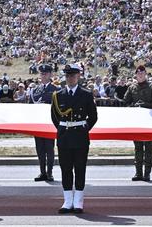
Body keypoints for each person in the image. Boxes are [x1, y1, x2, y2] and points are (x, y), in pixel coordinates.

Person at [51, 63, 97, 214]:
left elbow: (93, 117)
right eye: (68, 76)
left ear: (78, 76)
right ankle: (67, 200)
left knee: (80, 168)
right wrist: (64, 128)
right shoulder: (58, 95)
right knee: (65, 169)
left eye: (73, 75)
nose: (70, 78)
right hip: (64, 136)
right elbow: (55, 117)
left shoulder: (86, 94)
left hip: (80, 136)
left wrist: (83, 128)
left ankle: (78, 201)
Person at [123, 65, 152, 181]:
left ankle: (147, 173)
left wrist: (144, 105)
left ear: (145, 74)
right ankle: (138, 173)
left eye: (142, 73)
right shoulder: (131, 87)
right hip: (137, 121)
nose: (140, 75)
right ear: (136, 74)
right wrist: (133, 106)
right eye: (138, 73)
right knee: (138, 148)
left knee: (148, 148)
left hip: (149, 122)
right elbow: (126, 102)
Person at [30, 63, 60, 182]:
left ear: (50, 74)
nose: (43, 75)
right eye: (41, 73)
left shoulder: (55, 90)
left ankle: (49, 173)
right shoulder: (35, 90)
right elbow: (31, 107)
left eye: (46, 73)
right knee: (39, 149)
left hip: (49, 123)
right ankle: (42, 172)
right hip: (38, 123)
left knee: (49, 148)